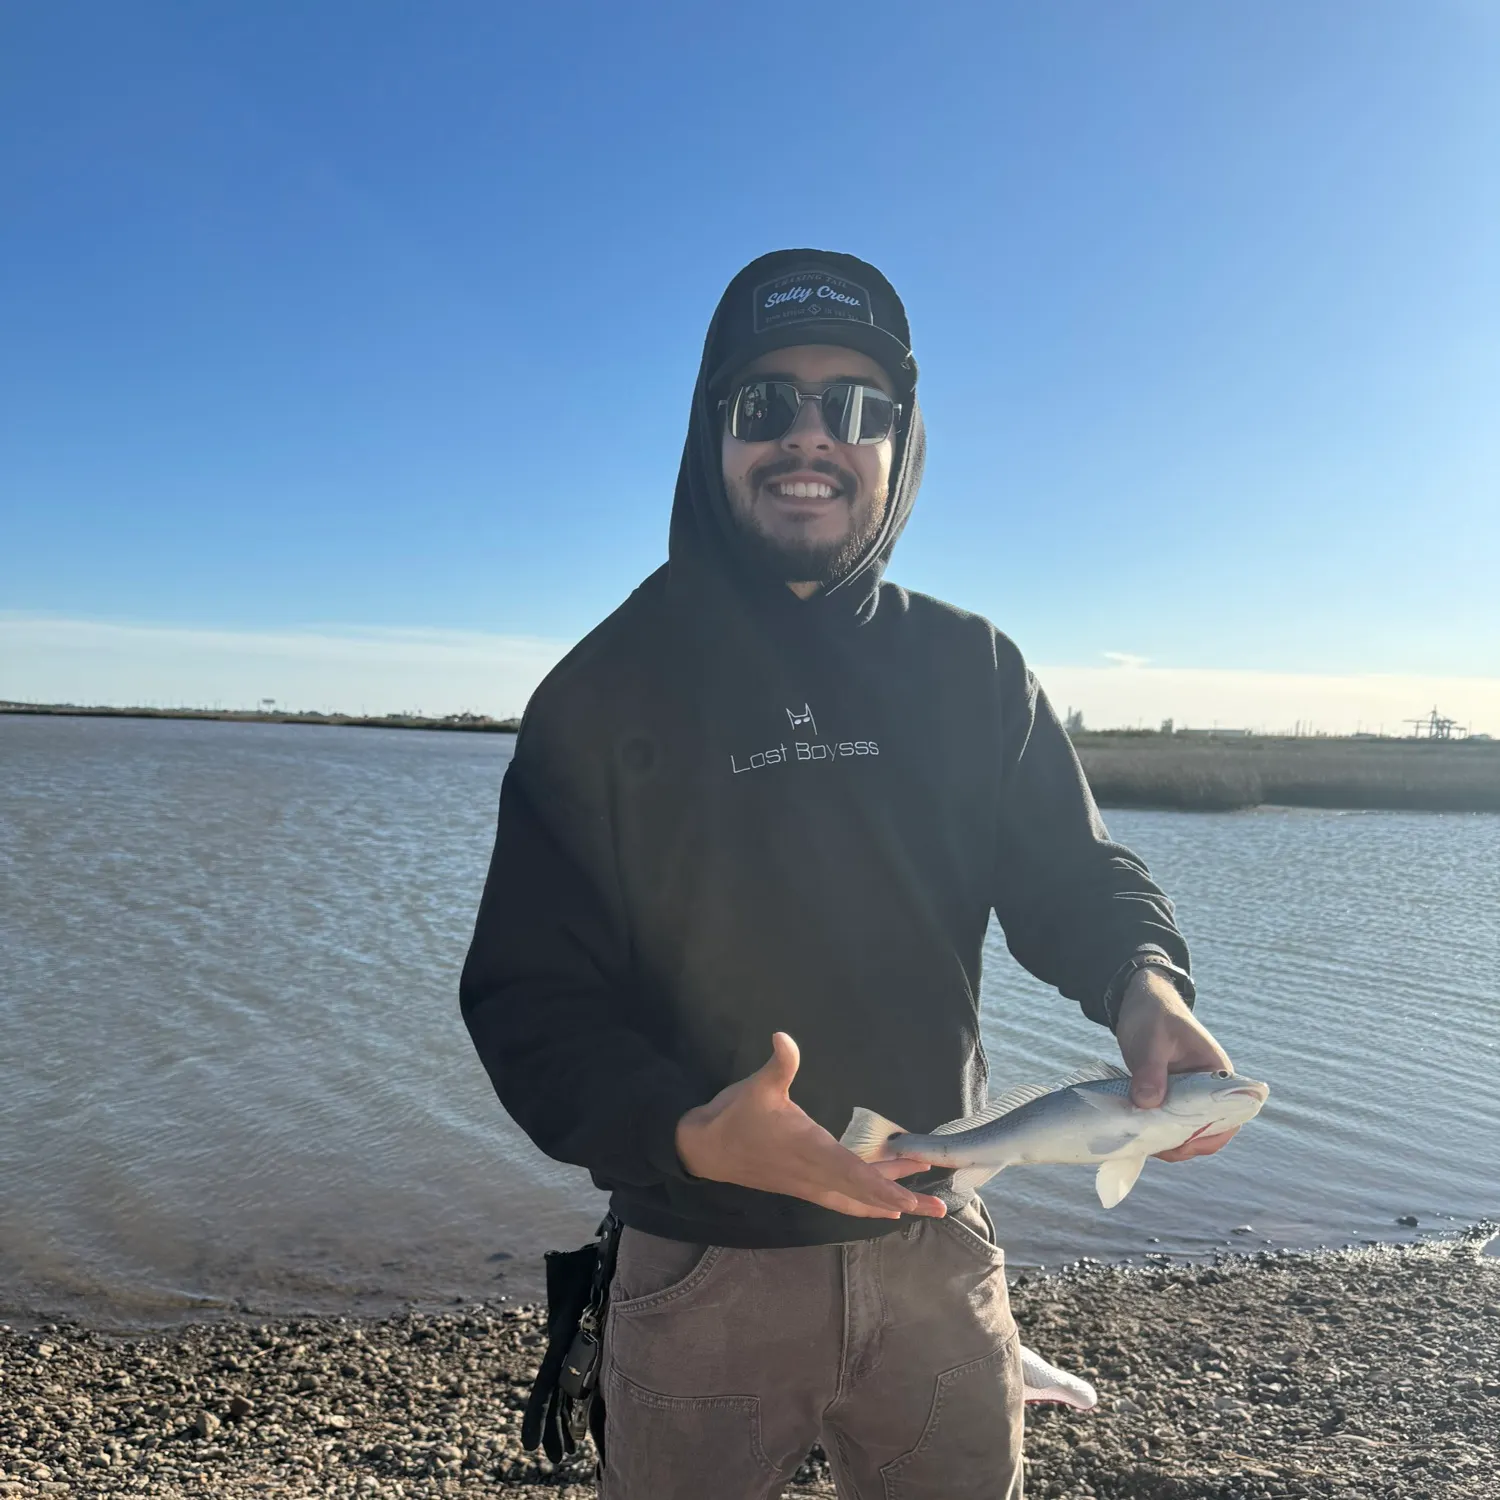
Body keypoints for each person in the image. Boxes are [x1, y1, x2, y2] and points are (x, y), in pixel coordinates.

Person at [461, 249, 1240, 1499]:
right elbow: (525, 1001)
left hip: (938, 1242)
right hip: (698, 1265)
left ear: (902, 441)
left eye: (857, 406)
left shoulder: (974, 671)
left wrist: (1142, 983)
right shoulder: (602, 692)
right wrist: (689, 1130)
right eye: (766, 401)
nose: (810, 436)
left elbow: (1074, 876)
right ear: (713, 430)